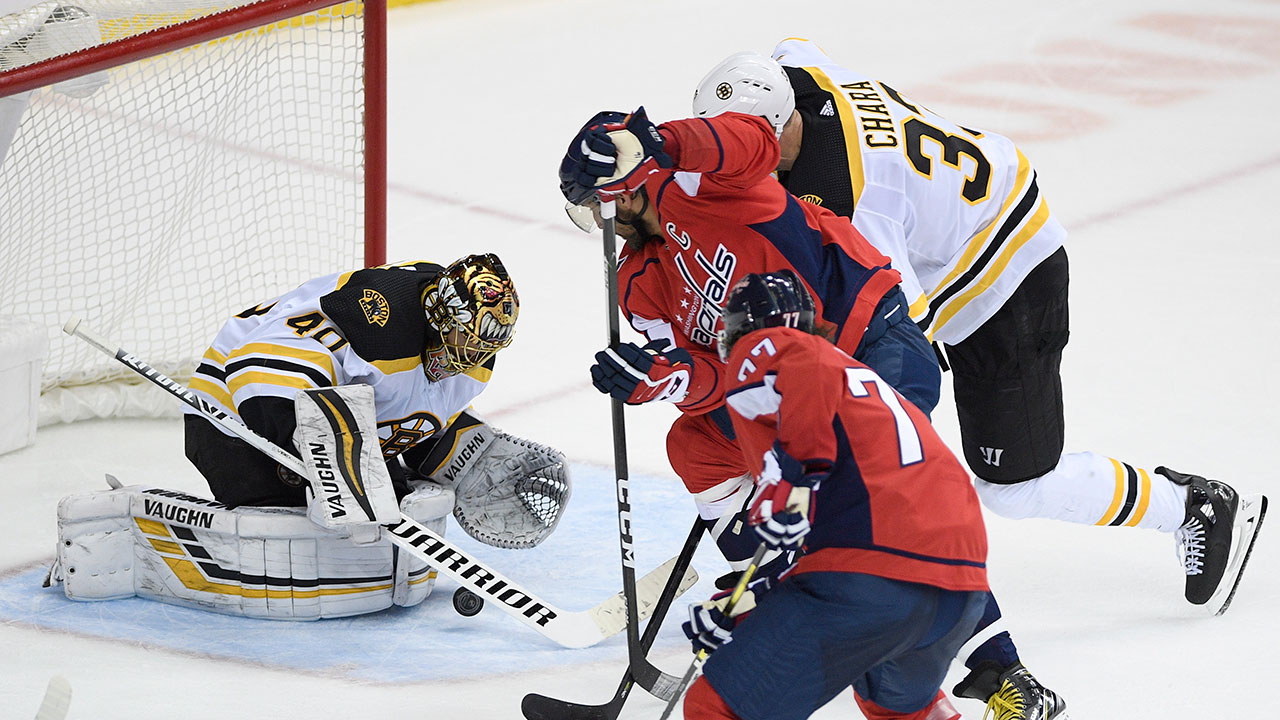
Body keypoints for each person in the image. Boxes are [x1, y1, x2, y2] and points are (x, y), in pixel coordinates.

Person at [693, 38, 1268, 712]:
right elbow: (790, 48)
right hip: (975, 209)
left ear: (775, 129)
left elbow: (895, 324)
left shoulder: (861, 202)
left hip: (1004, 276)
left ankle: (1193, 504)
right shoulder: (799, 76)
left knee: (1013, 485)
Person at [49, 254, 571, 620]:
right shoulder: (377, 321)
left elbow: (406, 403)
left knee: (375, 507)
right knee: (292, 512)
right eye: (464, 337)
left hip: (335, 407)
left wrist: (458, 449)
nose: (473, 353)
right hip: (232, 413)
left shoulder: (469, 353)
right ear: (438, 315)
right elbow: (258, 363)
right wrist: (309, 446)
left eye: (485, 343)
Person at [558, 107, 941, 582]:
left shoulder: (700, 182)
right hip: (792, 384)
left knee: (865, 473)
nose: (599, 225)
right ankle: (772, 579)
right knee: (697, 444)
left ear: (623, 193)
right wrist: (662, 377)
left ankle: (917, 597)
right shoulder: (637, 283)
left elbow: (757, 139)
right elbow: (714, 377)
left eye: (593, 208)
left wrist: (659, 142)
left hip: (866, 348)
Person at [679, 270, 988, 720]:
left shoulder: (774, 349)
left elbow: (797, 365)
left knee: (716, 707)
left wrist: (792, 478)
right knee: (898, 711)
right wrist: (749, 606)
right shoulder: (860, 385)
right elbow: (833, 552)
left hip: (873, 577)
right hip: (960, 590)